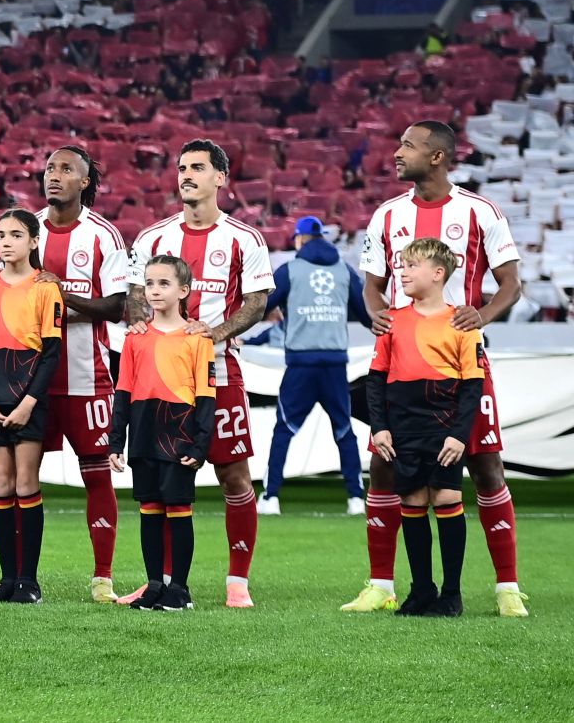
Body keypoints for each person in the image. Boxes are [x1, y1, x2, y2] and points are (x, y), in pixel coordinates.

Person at [346, 121, 526, 618]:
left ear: (438, 156)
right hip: (402, 361)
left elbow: (511, 284)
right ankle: (382, 584)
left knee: (485, 465)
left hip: (462, 360)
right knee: (384, 465)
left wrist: (481, 316)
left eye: (408, 145)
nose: (397, 152)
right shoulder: (387, 215)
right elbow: (371, 286)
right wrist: (377, 313)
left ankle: (507, 587)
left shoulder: (480, 211)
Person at [125, 139, 272, 608]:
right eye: (182, 167)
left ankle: (237, 580)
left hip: (219, 373)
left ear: (220, 178)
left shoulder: (244, 239)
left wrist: (214, 333)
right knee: (163, 479)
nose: (186, 175)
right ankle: (161, 581)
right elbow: (134, 296)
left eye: (198, 167)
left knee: (234, 475)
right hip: (163, 378)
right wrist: (141, 324)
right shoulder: (152, 238)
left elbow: (257, 303)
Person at [366, 238, 482, 618]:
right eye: (401, 265)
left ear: (438, 273)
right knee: (412, 502)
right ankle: (421, 592)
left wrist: (459, 435)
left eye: (412, 265)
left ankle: (451, 595)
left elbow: (472, 385)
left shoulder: (461, 322)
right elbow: (375, 380)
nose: (402, 272)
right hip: (403, 426)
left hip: (444, 425)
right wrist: (379, 428)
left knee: (446, 498)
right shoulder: (391, 320)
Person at [35, 145, 129, 603]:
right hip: (30, 379)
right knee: (21, 478)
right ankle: (20, 578)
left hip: (87, 376)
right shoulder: (27, 227)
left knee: (97, 475)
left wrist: (61, 297)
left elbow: (115, 306)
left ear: (85, 182)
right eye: (50, 168)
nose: (54, 175)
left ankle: (103, 577)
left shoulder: (103, 236)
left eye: (66, 169)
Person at [0, 209, 63, 604]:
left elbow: (51, 354)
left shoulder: (45, 288)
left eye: (16, 235)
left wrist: (29, 403)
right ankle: (7, 579)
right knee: (1, 484)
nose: (6, 242)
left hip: (28, 398)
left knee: (26, 483)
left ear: (34, 241)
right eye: (1, 235)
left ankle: (28, 581)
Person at [108, 254, 216, 612]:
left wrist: (201, 445)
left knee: (178, 507)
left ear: (183, 290)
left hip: (179, 432)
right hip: (144, 432)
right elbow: (123, 391)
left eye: (164, 283)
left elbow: (206, 396)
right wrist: (116, 440)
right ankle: (155, 584)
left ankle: (180, 589)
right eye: (150, 283)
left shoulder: (198, 339)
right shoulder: (135, 339)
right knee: (149, 508)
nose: (154, 290)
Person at [252, 215, 370, 517]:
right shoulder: (344, 270)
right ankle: (356, 498)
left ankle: (271, 497)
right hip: (335, 364)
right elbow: (366, 315)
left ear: (300, 239)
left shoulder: (290, 270)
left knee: (284, 430)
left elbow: (262, 307)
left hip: (300, 365)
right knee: (344, 430)